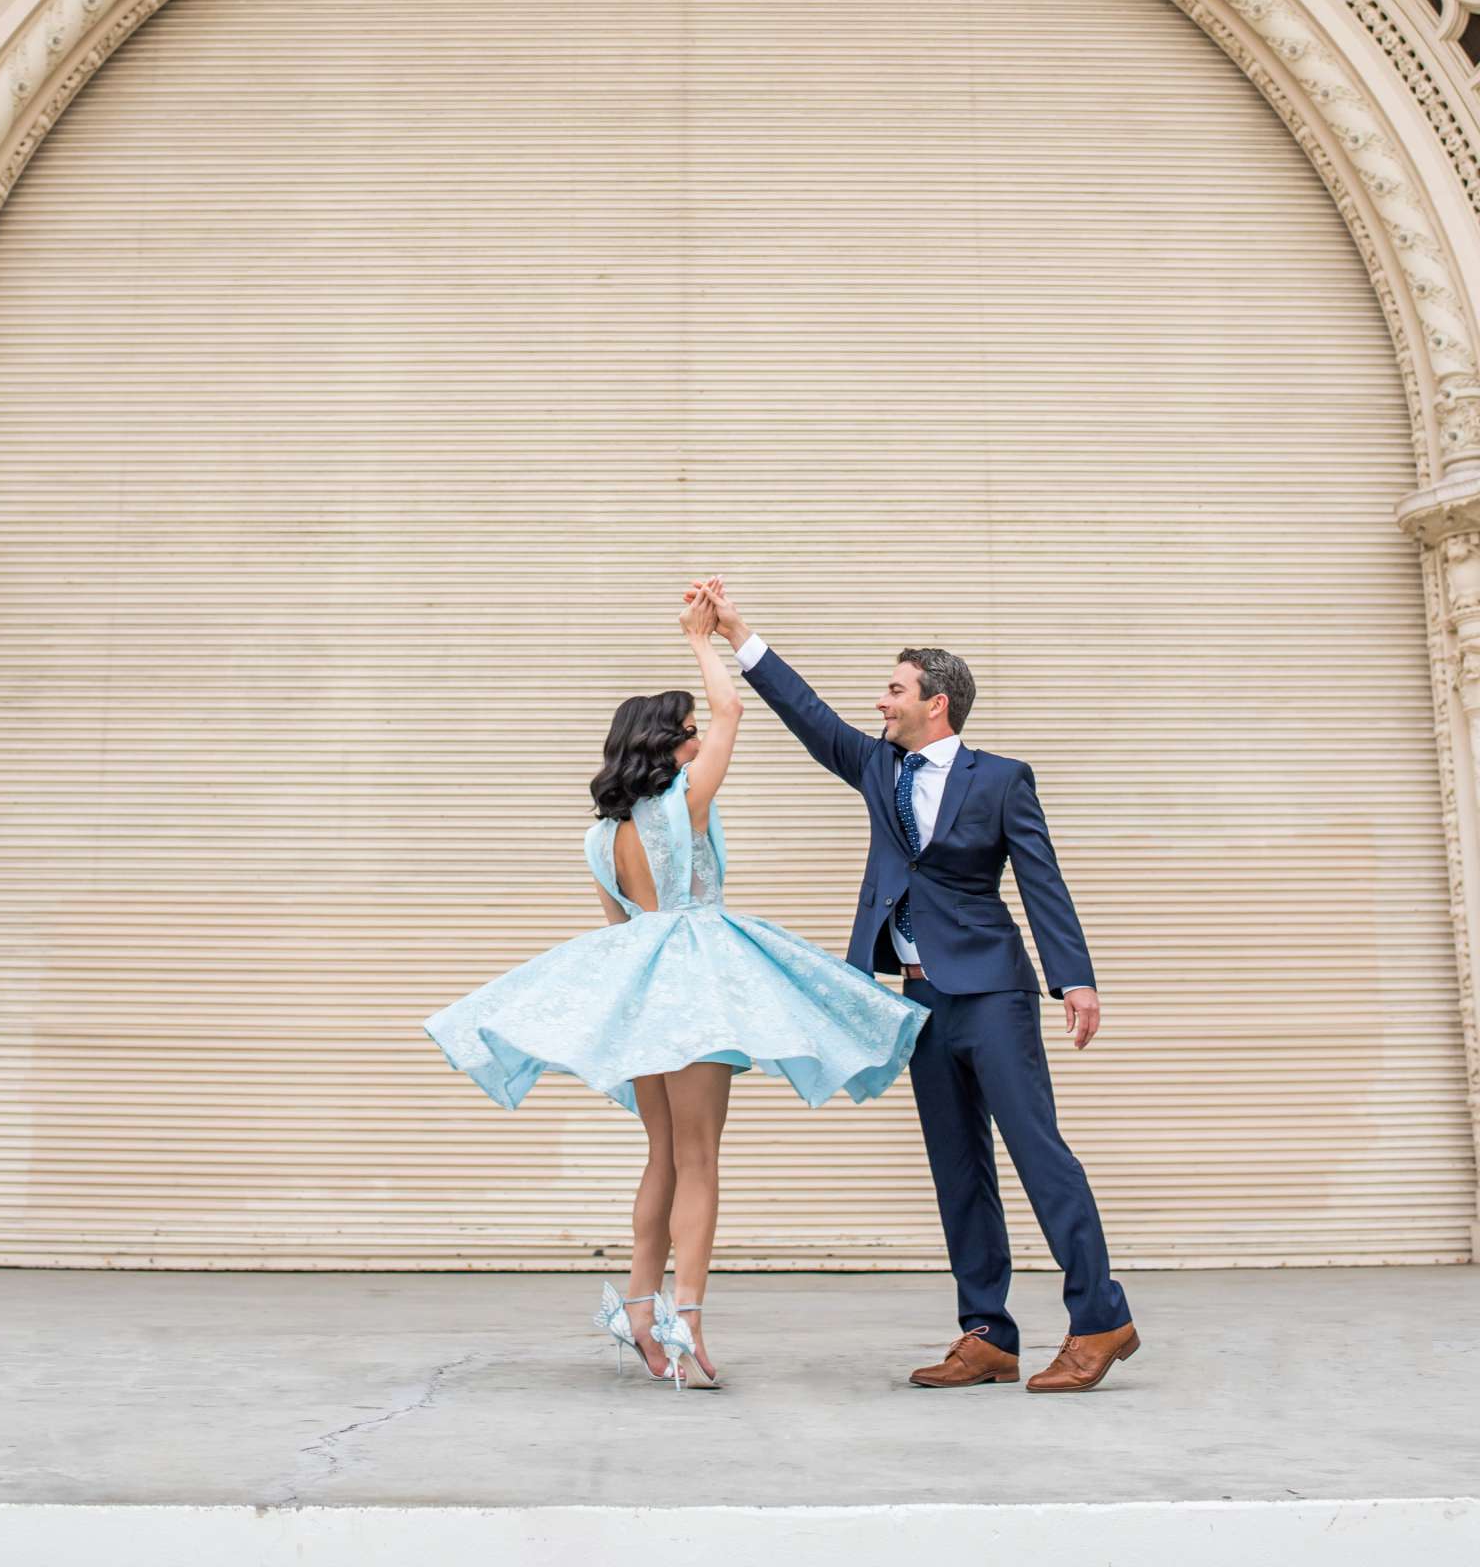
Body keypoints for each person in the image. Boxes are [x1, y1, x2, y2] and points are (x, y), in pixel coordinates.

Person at [423, 586, 922, 1390]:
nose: (701, 740)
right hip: (695, 978)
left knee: (661, 1155)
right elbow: (733, 711)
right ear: (669, 744)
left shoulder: (599, 836)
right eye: (688, 734)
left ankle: (640, 1306)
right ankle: (686, 1319)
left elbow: (622, 932)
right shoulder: (680, 807)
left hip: (643, 986)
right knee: (700, 1156)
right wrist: (703, 640)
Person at [688, 575, 1138, 1395]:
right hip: (919, 1000)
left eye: (895, 689)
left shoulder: (1001, 779)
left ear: (937, 704)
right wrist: (735, 632)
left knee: (1039, 1153)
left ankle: (1100, 1317)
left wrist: (1074, 980)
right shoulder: (876, 766)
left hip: (993, 992)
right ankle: (987, 1333)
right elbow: (808, 714)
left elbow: (1043, 880)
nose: (881, 701)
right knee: (956, 1167)